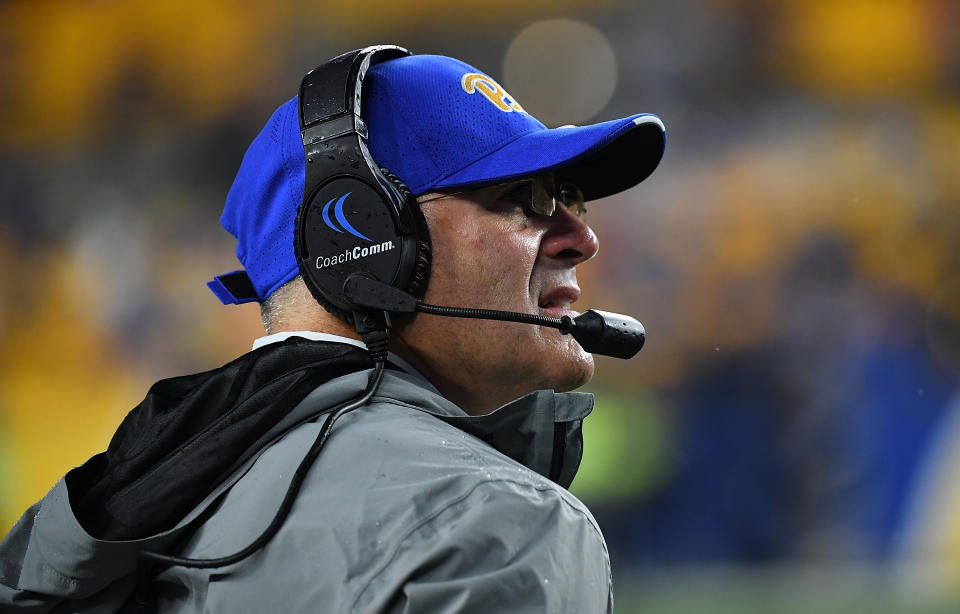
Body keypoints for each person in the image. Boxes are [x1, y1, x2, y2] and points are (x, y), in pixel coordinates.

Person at [0, 47, 665, 612]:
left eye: (570, 199)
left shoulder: (139, 501)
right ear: (365, 236)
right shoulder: (497, 519)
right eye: (524, 200)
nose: (583, 237)